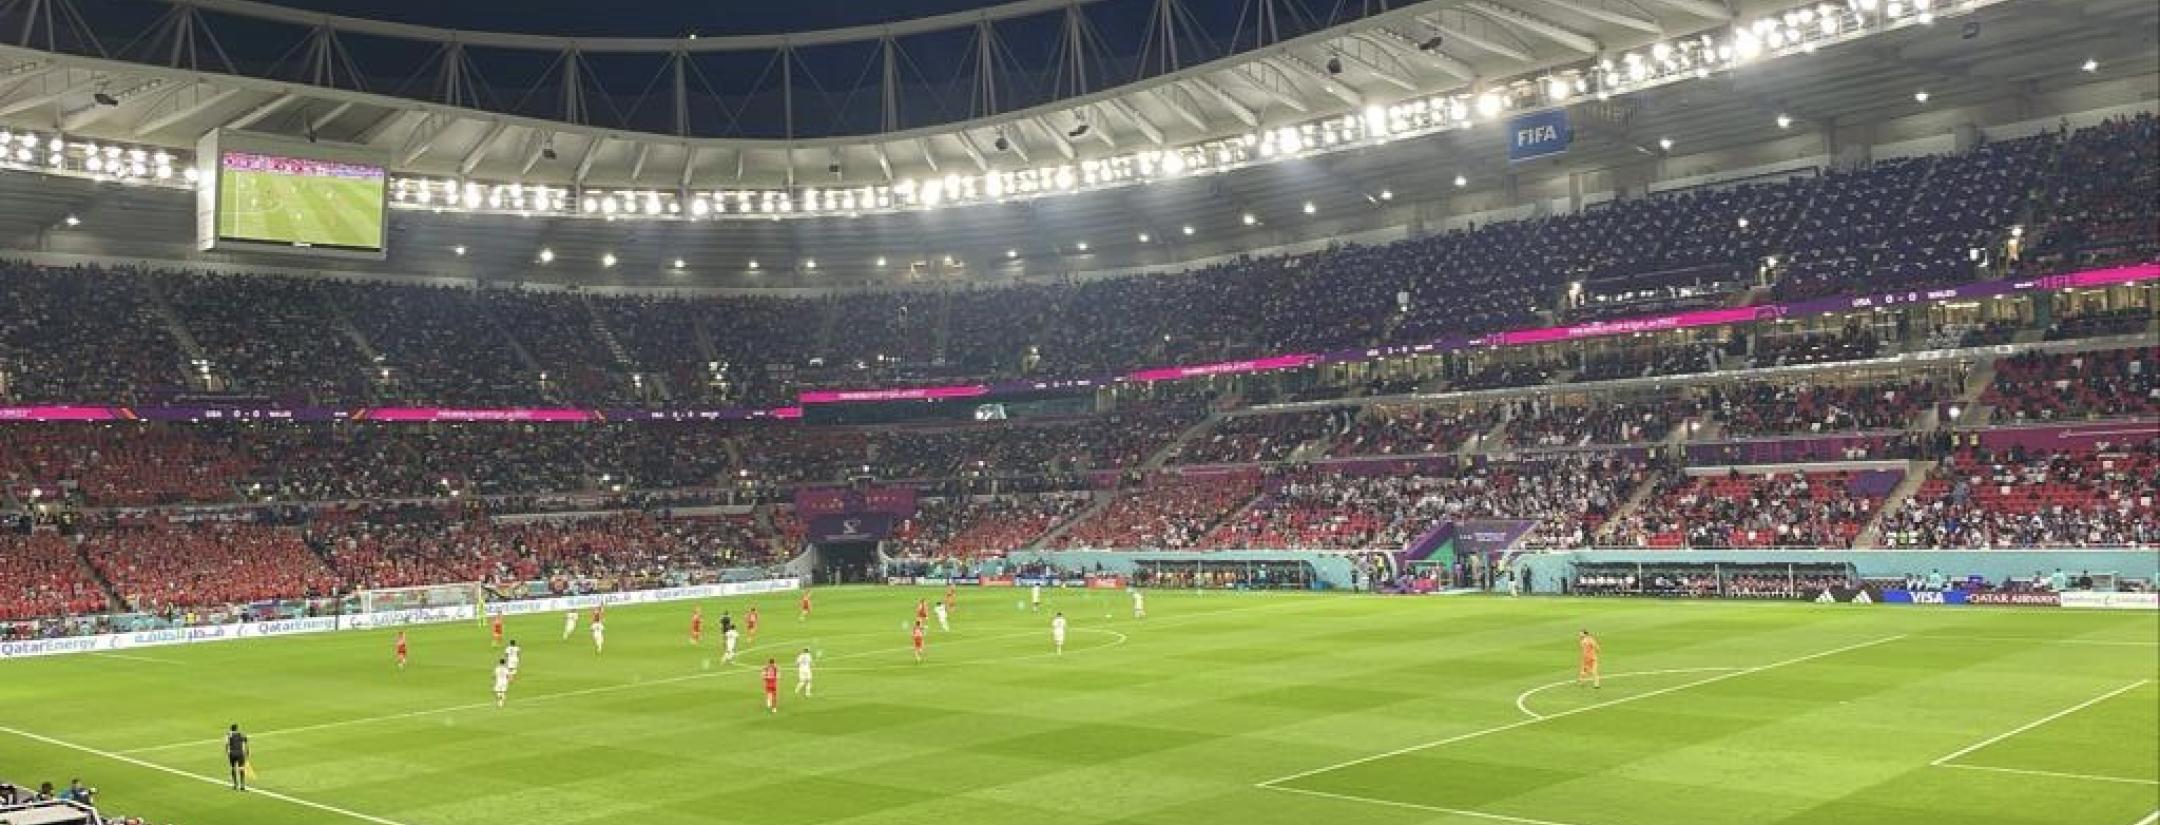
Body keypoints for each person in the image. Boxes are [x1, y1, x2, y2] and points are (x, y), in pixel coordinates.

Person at [224, 724, 249, 791]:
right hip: (240, 753)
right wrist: (247, 753)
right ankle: (242, 786)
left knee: (233, 768)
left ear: (231, 729)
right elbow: (246, 743)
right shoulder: (241, 734)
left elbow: (226, 744)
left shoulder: (228, 734)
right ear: (237, 729)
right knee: (241, 768)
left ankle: (235, 785)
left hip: (232, 754)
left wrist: (227, 752)